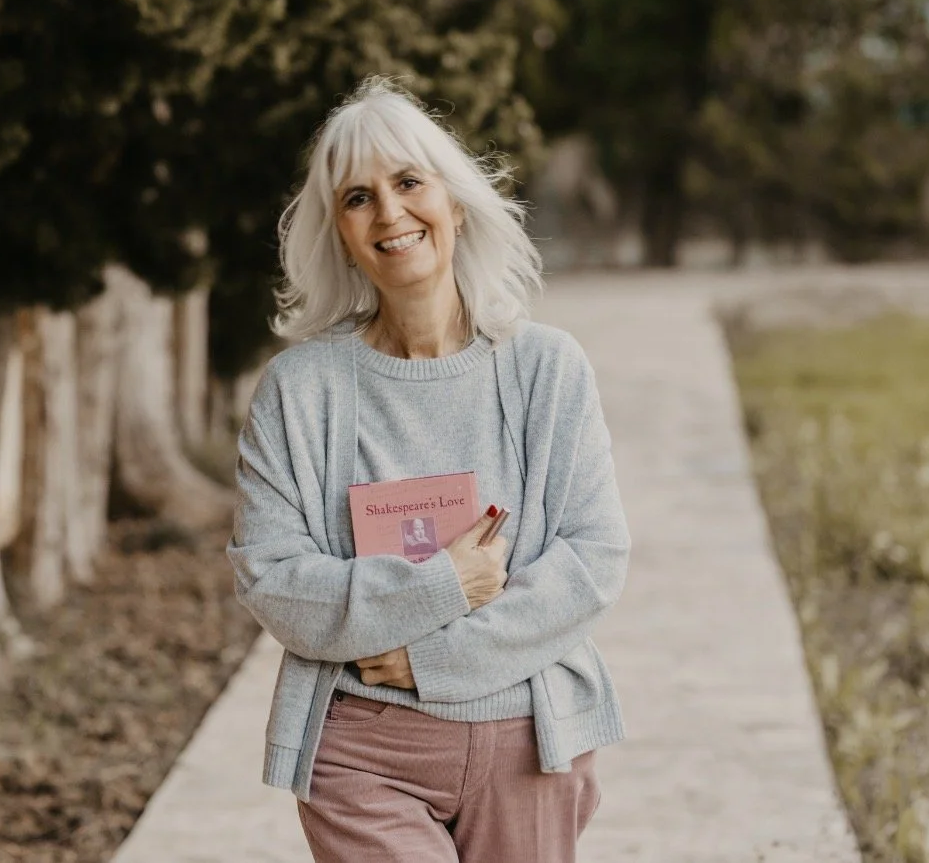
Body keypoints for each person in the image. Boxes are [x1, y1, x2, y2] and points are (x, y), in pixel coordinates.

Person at [228, 76, 631, 862]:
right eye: (358, 198)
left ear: (455, 202)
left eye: (409, 182)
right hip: (360, 748)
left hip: (528, 732)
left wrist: (429, 659)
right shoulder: (299, 390)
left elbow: (592, 559)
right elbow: (270, 577)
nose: (389, 213)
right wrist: (443, 585)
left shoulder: (546, 369)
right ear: (340, 234)